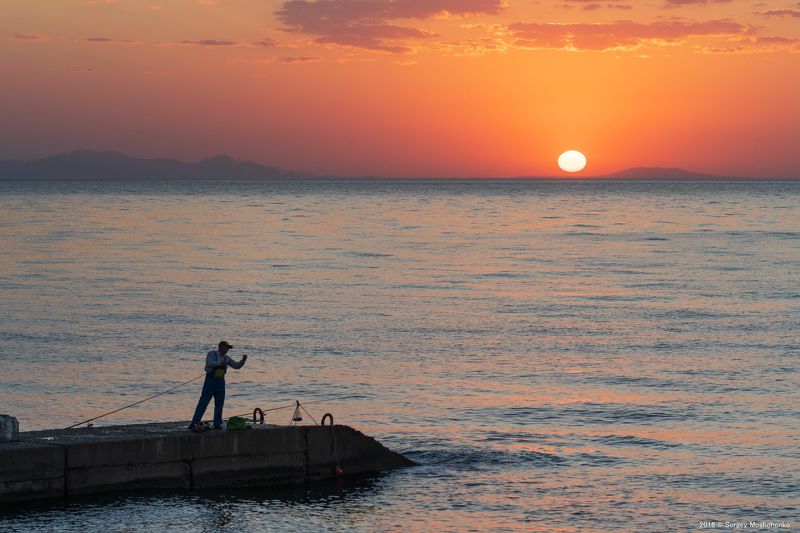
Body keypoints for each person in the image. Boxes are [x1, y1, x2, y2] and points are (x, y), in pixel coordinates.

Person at [189, 341, 247, 430]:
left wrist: (243, 361)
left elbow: (236, 366)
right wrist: (219, 363)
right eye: (226, 347)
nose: (227, 350)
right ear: (221, 347)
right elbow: (209, 363)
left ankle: (217, 423)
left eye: (228, 348)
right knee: (203, 402)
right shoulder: (212, 354)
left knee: (219, 403)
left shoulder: (227, 358)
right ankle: (195, 422)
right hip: (210, 380)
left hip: (220, 381)